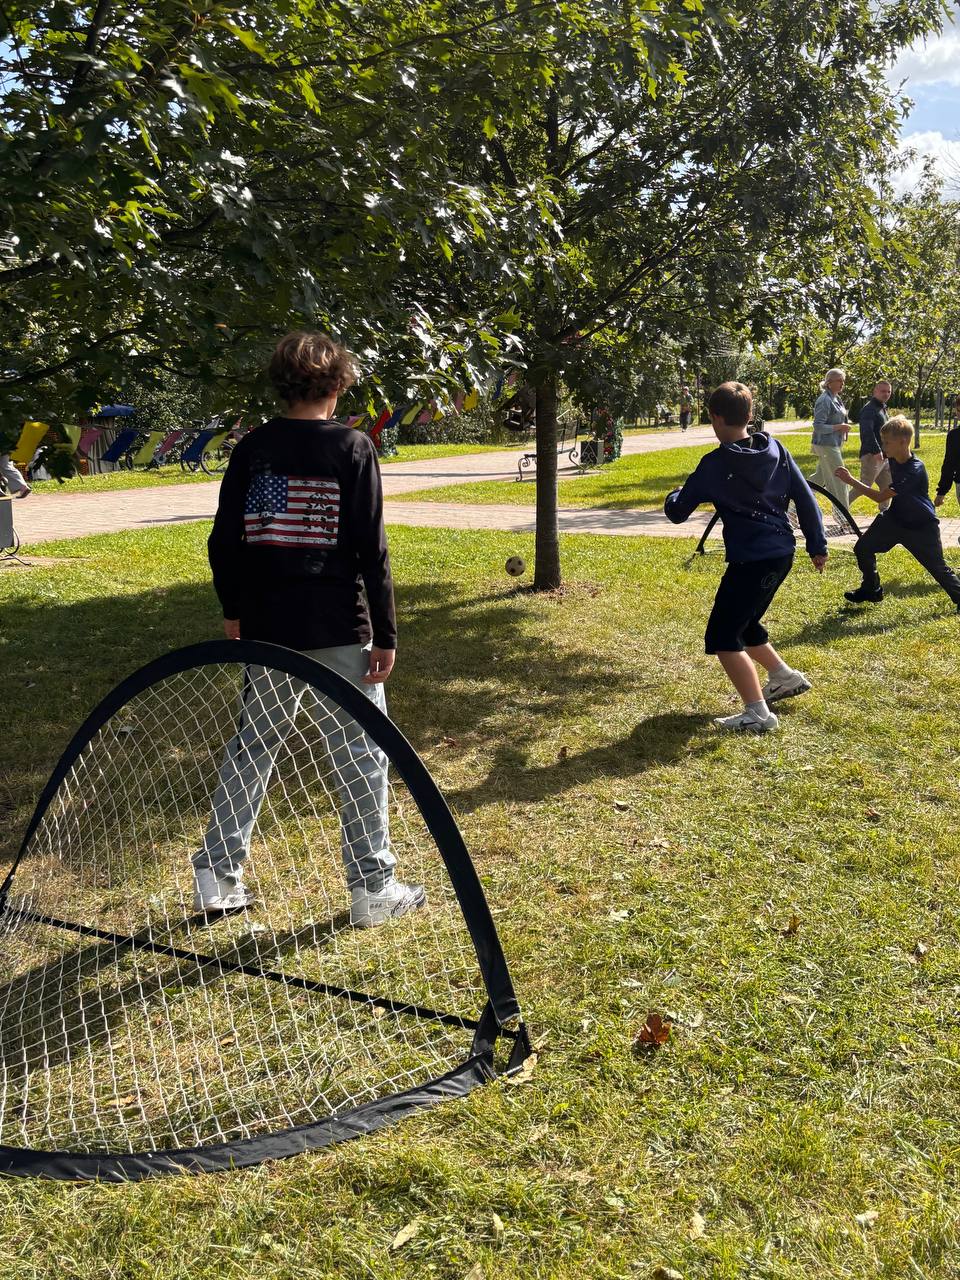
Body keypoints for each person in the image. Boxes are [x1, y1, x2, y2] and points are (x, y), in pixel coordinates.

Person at [199, 330, 426, 926]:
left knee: (256, 744)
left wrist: (234, 608)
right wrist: (386, 633)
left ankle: (216, 874)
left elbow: (224, 541)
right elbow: (370, 550)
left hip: (267, 625)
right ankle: (372, 887)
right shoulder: (352, 448)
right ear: (336, 385)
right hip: (337, 627)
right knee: (360, 751)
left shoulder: (253, 449)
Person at [665, 381, 828, 734]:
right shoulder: (777, 450)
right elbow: (807, 499)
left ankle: (758, 714)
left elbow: (678, 512)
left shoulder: (713, 464)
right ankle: (784, 677)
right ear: (750, 415)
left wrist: (674, 493)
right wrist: (817, 545)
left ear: (714, 417)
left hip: (751, 562)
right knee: (745, 620)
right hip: (781, 555)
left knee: (723, 636)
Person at [836, 416, 960, 611]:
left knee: (937, 568)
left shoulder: (914, 469)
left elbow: (880, 497)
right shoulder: (892, 458)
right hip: (895, 519)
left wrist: (850, 480)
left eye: (887, 442)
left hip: (921, 525)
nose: (883, 446)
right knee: (863, 548)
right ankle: (872, 589)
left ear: (903, 442)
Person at [810, 368, 850, 508]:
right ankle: (844, 519)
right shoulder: (824, 400)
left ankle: (793, 507)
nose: (842, 383)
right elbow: (818, 426)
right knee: (840, 478)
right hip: (826, 445)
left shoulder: (836, 398)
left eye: (843, 380)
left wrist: (843, 426)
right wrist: (839, 427)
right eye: (839, 380)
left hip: (833, 443)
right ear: (829, 382)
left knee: (818, 479)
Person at [857, 378, 892, 511]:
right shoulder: (869, 409)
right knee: (863, 486)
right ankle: (840, 511)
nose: (886, 394)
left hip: (884, 456)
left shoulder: (881, 408)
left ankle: (885, 513)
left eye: (889, 391)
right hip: (872, 455)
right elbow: (867, 432)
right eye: (883, 391)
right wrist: (876, 451)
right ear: (875, 391)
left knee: (887, 485)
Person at [936, 396, 960, 535]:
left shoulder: (955, 436)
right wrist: (942, 491)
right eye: (958, 410)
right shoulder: (955, 435)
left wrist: (942, 492)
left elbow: (949, 464)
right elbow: (949, 465)